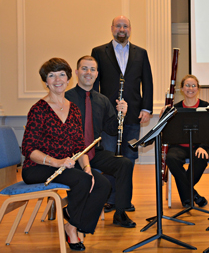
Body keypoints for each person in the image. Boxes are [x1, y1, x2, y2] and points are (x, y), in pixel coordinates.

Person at [21, 58, 111, 251]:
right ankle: (72, 231)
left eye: (62, 74)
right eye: (51, 75)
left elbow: (80, 147)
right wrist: (56, 162)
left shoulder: (74, 109)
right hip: (39, 167)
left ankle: (73, 223)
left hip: (66, 165)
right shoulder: (38, 109)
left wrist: (87, 168)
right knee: (82, 181)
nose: (57, 79)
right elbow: (29, 149)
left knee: (102, 183)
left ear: (68, 78)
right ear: (45, 81)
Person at [65, 56, 136, 228]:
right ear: (76, 72)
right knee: (93, 181)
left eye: (92, 69)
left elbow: (111, 129)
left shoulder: (102, 100)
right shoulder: (66, 98)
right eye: (84, 68)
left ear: (97, 74)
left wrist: (122, 115)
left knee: (124, 163)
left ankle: (120, 212)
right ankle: (75, 213)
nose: (88, 73)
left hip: (94, 152)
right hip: (70, 157)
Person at [91, 15, 153, 210]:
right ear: (112, 28)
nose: (122, 29)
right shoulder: (99, 52)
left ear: (130, 29)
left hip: (134, 114)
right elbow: (94, 83)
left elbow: (147, 82)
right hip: (107, 115)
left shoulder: (141, 53)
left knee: (128, 157)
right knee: (109, 157)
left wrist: (146, 108)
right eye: (118, 26)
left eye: (125, 26)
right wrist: (95, 110)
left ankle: (124, 200)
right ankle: (110, 199)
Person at [164, 75, 209, 207]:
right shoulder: (176, 108)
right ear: (182, 89)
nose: (190, 88)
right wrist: (164, 115)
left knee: (201, 158)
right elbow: (170, 132)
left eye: (193, 85)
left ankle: (187, 197)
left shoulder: (206, 107)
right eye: (187, 85)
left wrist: (203, 146)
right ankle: (193, 194)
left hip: (200, 146)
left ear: (198, 88)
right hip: (179, 146)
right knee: (171, 158)